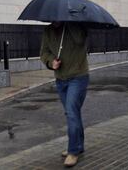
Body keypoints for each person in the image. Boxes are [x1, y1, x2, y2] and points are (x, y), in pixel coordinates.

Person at [40, 22, 89, 167]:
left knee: (71, 113)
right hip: (60, 79)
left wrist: (70, 25)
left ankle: (73, 151)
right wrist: (51, 62)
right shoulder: (48, 30)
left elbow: (80, 41)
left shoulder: (77, 27)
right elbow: (44, 52)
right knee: (72, 112)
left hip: (78, 77)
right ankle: (78, 146)